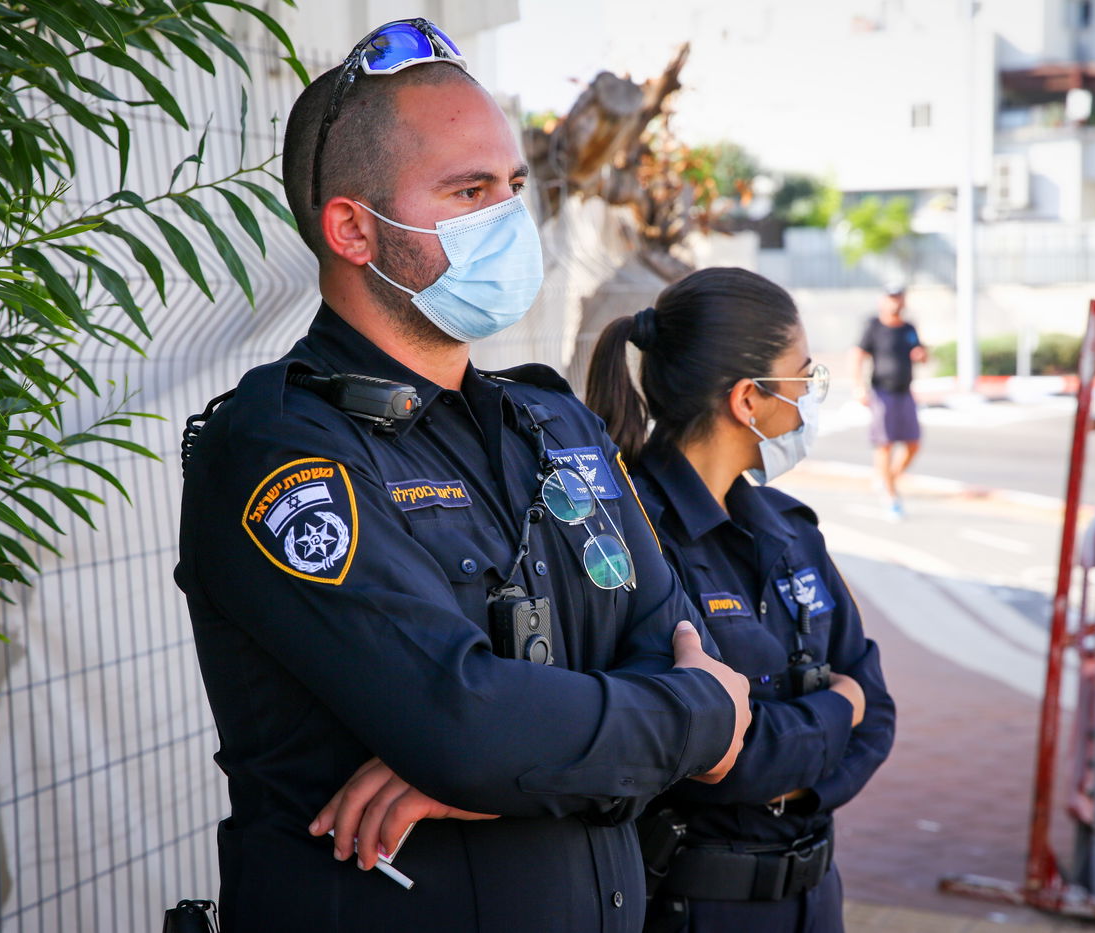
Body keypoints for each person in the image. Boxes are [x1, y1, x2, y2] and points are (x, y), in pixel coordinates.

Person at [174, 20, 751, 932]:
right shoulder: (281, 450)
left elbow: (699, 654)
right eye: (469, 190)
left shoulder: (552, 423)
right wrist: (671, 721)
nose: (508, 219)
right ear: (354, 228)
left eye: (513, 187)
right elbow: (470, 727)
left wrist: (515, 758)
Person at [585, 268, 897, 932]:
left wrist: (794, 771)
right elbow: (718, 756)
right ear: (748, 400)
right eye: (802, 375)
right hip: (695, 906)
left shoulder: (789, 528)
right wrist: (837, 707)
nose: (811, 395)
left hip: (814, 899)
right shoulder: (632, 537)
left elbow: (880, 714)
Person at [852, 282, 927, 521]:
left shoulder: (909, 328)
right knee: (885, 444)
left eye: (899, 297)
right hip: (882, 393)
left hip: (905, 392)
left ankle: (887, 480)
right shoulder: (874, 326)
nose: (895, 302)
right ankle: (891, 497)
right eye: (891, 297)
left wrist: (922, 355)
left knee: (913, 442)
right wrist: (858, 386)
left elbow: (920, 353)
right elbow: (858, 354)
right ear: (883, 300)